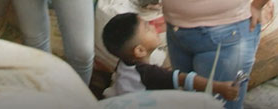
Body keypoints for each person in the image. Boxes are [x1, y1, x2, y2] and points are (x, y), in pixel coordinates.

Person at [102, 12, 240, 100]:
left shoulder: (123, 64)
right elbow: (184, 79)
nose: (153, 27)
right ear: (139, 51)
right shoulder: (149, 74)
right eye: (147, 29)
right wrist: (219, 87)